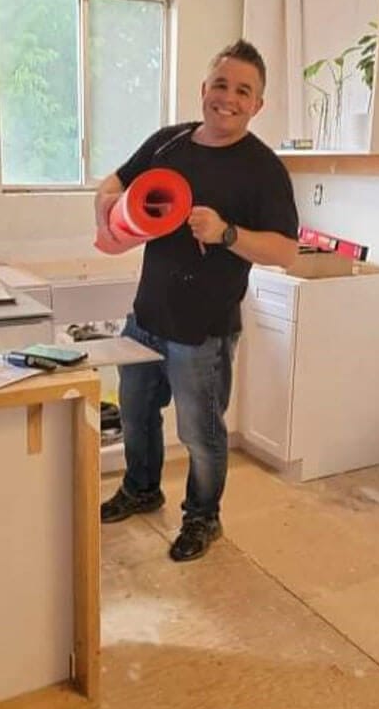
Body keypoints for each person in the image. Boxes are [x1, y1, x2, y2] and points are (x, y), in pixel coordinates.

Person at [94, 39, 299, 562]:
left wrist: (227, 232)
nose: (228, 98)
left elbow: (286, 251)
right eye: (221, 85)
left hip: (204, 328)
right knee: (136, 415)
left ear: (258, 104)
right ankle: (142, 488)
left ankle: (203, 518)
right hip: (145, 317)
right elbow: (114, 181)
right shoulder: (168, 143)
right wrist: (110, 207)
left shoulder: (263, 169)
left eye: (243, 91)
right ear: (204, 89)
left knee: (201, 433)